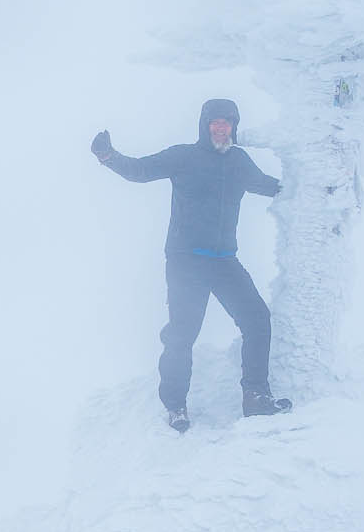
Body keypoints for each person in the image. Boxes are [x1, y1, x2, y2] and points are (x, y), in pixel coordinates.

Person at [92, 98, 291, 432]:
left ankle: (255, 396)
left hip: (225, 260)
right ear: (204, 125)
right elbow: (141, 170)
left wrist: (315, 188)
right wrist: (108, 157)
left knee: (257, 320)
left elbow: (272, 187)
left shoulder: (239, 162)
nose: (220, 127)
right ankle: (176, 406)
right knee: (182, 335)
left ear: (234, 126)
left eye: (226, 122)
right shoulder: (184, 157)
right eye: (214, 122)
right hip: (186, 261)